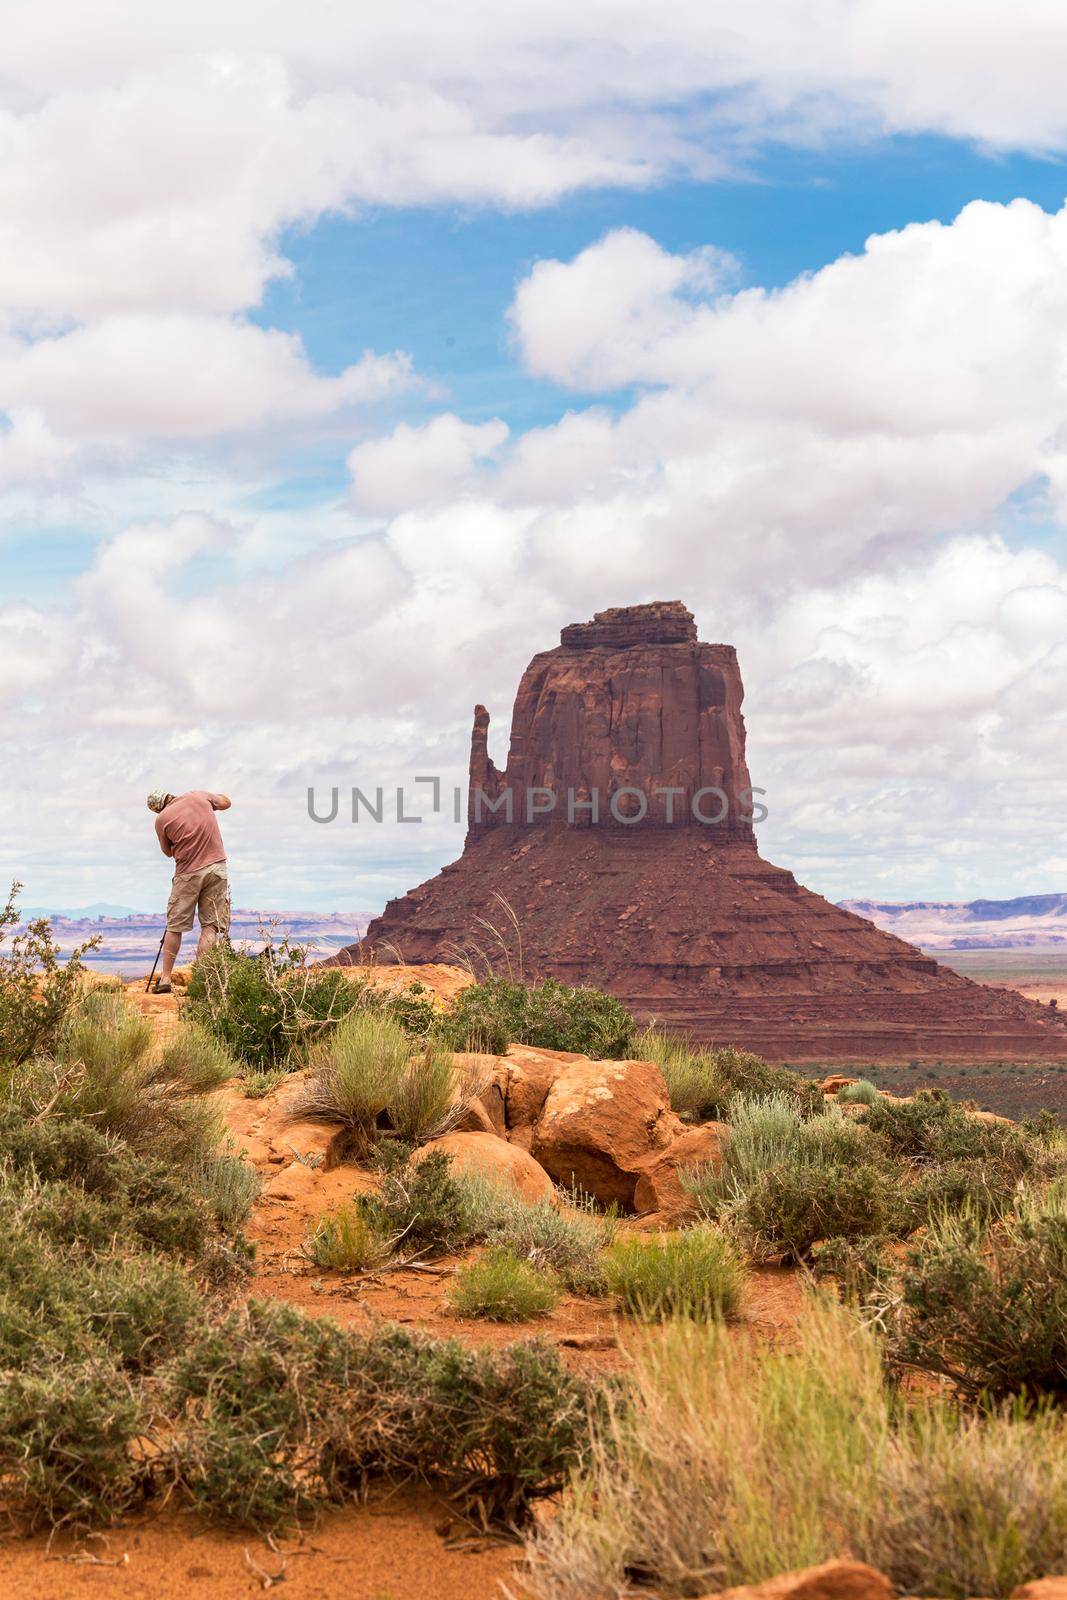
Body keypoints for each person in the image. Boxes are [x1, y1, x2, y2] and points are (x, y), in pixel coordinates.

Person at [146, 789, 232, 994]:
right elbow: (226, 802)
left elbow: (167, 852)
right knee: (210, 926)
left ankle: (166, 979)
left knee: (175, 926)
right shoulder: (198, 795)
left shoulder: (162, 820)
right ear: (170, 795)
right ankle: (202, 980)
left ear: (157, 808)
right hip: (217, 867)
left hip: (187, 873)